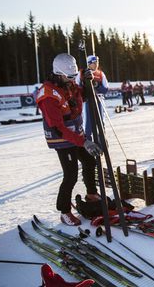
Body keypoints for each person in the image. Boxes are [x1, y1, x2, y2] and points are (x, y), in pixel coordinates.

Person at [36, 53, 103, 226]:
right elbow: (58, 128)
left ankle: (91, 193)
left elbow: (83, 95)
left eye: (74, 77)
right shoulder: (48, 95)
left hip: (77, 134)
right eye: (70, 77)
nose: (73, 80)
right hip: (62, 138)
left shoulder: (69, 83)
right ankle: (64, 211)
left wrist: (89, 82)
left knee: (90, 162)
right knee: (70, 175)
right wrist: (84, 142)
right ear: (58, 73)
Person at [75, 55, 109, 141]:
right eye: (94, 62)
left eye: (97, 62)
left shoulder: (100, 74)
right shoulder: (82, 73)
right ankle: (89, 143)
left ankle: (102, 142)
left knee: (101, 122)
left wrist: (97, 86)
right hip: (87, 101)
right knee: (88, 123)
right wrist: (85, 88)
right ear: (89, 64)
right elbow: (76, 86)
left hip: (99, 99)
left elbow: (105, 89)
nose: (96, 64)